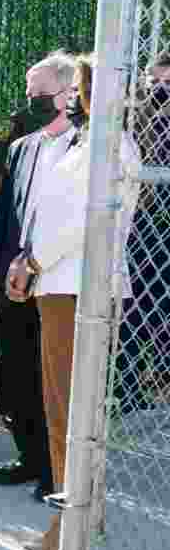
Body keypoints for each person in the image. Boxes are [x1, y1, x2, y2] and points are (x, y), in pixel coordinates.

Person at [7, 52, 139, 550]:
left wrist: (34, 261)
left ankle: (71, 537)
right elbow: (49, 215)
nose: (68, 100)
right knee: (63, 415)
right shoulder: (84, 144)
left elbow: (85, 223)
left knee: (71, 418)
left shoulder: (111, 146)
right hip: (58, 286)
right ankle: (70, 526)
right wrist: (28, 260)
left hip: (78, 289)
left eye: (77, 88)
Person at [0, 104, 55, 503]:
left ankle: (53, 470)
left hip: (49, 284)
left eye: (41, 94)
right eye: (29, 93)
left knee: (47, 382)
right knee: (12, 382)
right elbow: (3, 220)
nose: (30, 103)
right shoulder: (19, 151)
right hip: (11, 283)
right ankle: (29, 457)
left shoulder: (73, 154)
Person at [116, 51, 170, 414]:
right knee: (131, 312)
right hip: (143, 228)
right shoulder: (141, 120)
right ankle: (128, 391)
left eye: (168, 83)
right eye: (156, 81)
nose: (160, 89)